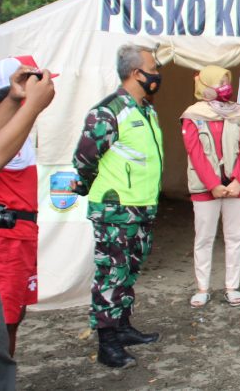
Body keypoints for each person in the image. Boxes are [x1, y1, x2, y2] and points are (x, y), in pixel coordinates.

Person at [72, 44, 164, 368]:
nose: (158, 72)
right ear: (137, 73)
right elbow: (84, 158)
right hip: (116, 210)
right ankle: (107, 344)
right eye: (154, 66)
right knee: (111, 274)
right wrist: (92, 188)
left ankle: (122, 327)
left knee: (128, 271)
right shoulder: (109, 111)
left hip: (141, 207)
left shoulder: (145, 110)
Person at [0, 64, 54, 390]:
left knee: (8, 322)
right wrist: (31, 107)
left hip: (14, 238)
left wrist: (14, 100)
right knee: (3, 329)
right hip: (6, 242)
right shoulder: (8, 137)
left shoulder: (1, 121)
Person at [181, 66, 240, 308]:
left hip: (237, 185)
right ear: (206, 85)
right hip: (204, 187)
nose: (225, 85)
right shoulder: (193, 115)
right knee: (204, 237)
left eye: (226, 81)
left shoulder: (239, 113)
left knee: (234, 237)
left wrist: (236, 179)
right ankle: (203, 287)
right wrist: (212, 184)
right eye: (219, 81)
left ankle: (232, 286)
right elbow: (194, 151)